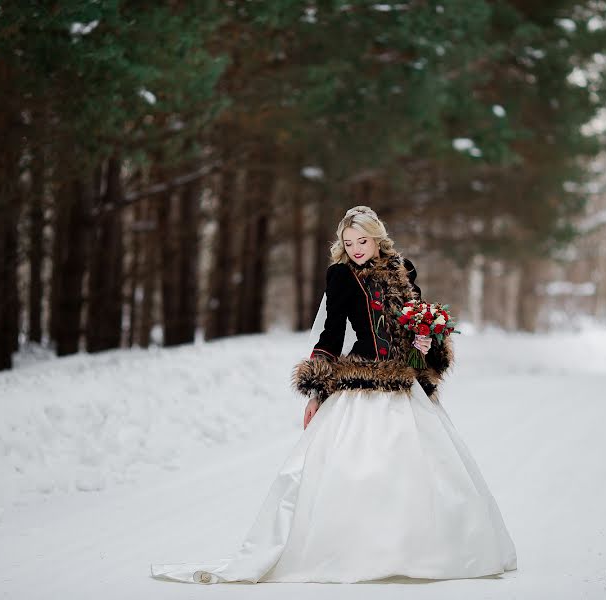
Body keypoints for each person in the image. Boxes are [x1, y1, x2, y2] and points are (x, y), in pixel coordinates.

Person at [150, 205, 517, 584]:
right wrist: (316, 390)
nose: (356, 248)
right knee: (353, 470)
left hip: (405, 383)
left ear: (377, 239)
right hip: (361, 380)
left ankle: (425, 551)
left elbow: (413, 323)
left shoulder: (403, 271)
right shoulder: (341, 276)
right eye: (349, 242)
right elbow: (332, 333)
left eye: (363, 241)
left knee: (427, 470)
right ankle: (351, 552)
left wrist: (426, 343)